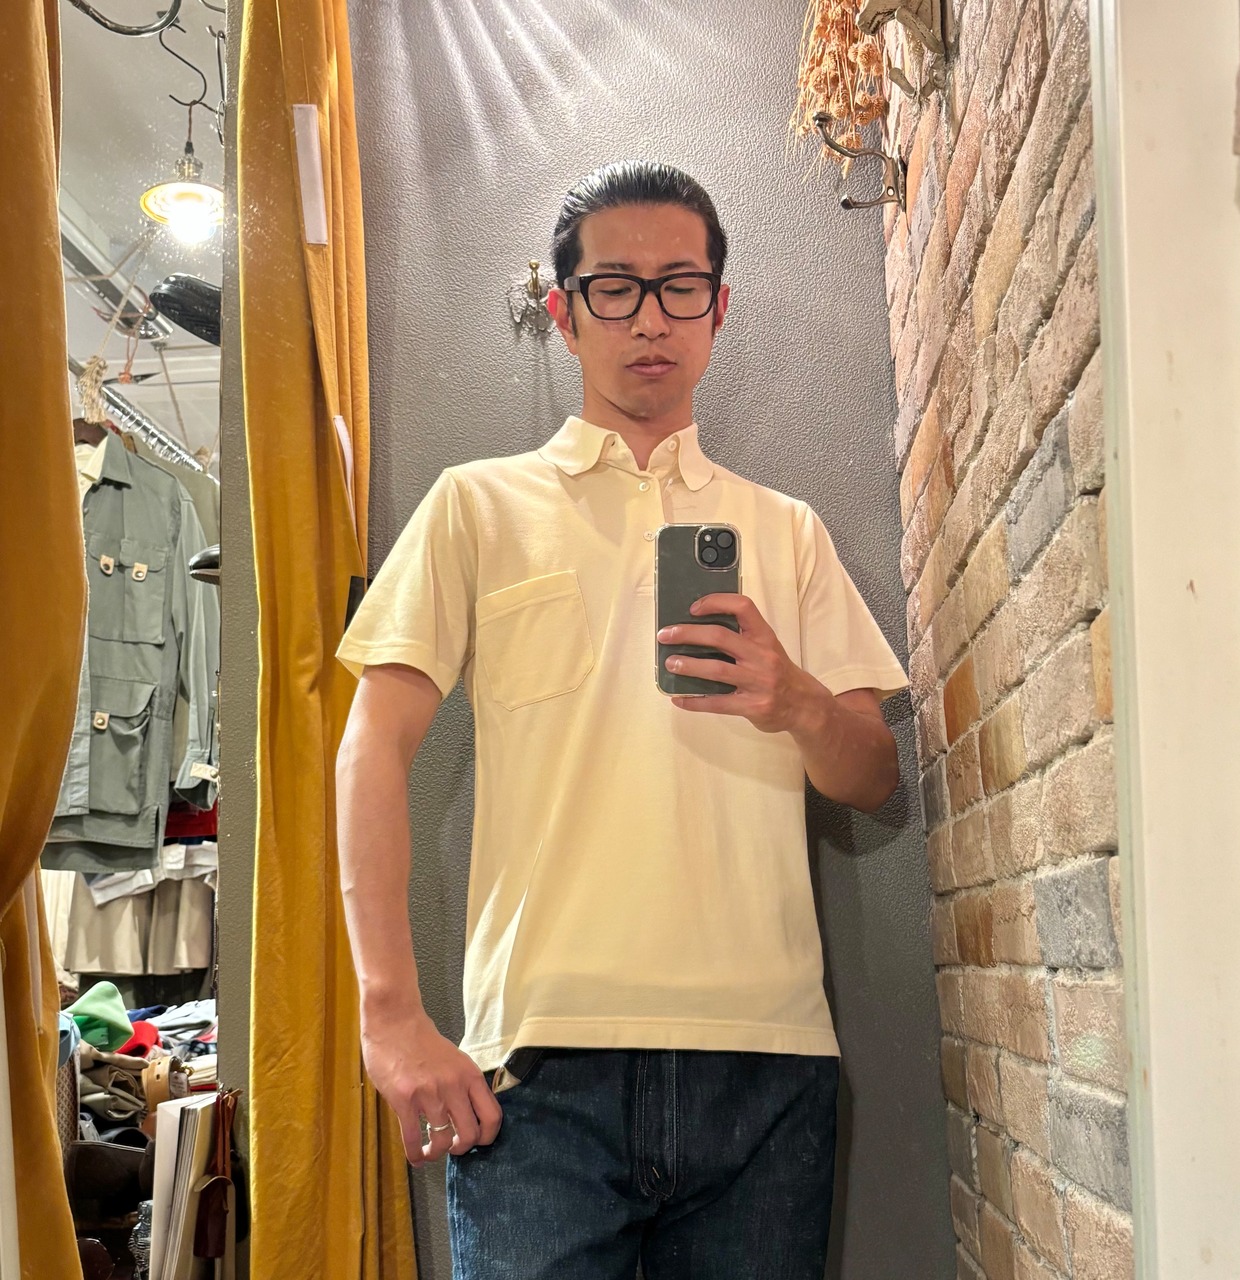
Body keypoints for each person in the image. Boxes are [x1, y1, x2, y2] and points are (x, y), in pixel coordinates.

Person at [335, 160, 908, 1279]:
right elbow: (371, 746)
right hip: (537, 1072)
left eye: (679, 286)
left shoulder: (784, 530)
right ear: (564, 312)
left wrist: (792, 696)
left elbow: (871, 777)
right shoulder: (474, 506)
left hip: (766, 1062)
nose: (650, 318)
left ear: (718, 307)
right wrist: (389, 1014)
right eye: (615, 288)